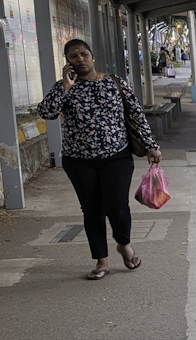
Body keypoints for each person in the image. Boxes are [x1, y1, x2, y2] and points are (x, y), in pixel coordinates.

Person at [37, 39, 161, 280]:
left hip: (117, 156)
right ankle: (101, 260)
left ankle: (123, 244)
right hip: (78, 160)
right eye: (74, 56)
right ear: (67, 62)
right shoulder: (63, 87)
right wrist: (65, 86)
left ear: (92, 56)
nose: (80, 59)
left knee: (116, 206)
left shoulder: (114, 82)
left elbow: (136, 114)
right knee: (92, 209)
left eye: (84, 54)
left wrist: (151, 145)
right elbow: (47, 113)